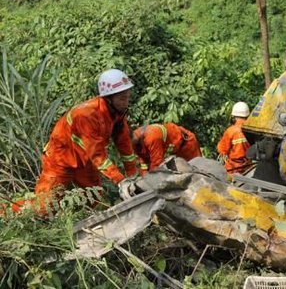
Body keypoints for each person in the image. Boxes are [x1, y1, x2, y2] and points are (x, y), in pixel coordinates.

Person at [11, 69, 139, 214]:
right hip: (60, 160)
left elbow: (123, 142)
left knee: (94, 197)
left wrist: (132, 173)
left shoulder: (117, 112)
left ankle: (75, 221)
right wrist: (120, 180)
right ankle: (7, 212)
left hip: (84, 161)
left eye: (128, 97)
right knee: (44, 205)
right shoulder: (87, 115)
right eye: (122, 98)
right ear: (108, 98)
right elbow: (97, 155)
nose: (126, 103)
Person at [132, 123, 202, 175]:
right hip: (176, 152)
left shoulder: (152, 136)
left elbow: (157, 164)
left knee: (197, 172)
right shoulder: (135, 141)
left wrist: (150, 179)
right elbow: (143, 159)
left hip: (187, 145)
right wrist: (144, 175)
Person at [217, 102, 252, 174]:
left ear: (234, 117)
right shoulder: (252, 129)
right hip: (249, 167)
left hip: (232, 169)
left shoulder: (230, 131)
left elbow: (222, 150)